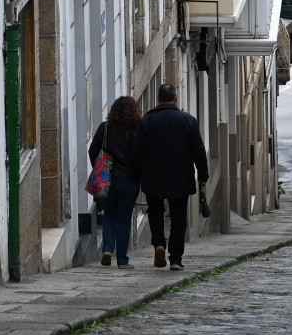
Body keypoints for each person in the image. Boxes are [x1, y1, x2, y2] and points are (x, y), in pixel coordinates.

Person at [139, 83, 209, 271]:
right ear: (176, 98)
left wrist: (139, 173)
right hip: (180, 177)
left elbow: (138, 150)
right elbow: (198, 151)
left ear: (158, 99)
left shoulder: (146, 121)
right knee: (179, 217)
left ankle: (159, 244)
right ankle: (176, 258)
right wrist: (203, 175)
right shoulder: (188, 121)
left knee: (155, 211)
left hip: (153, 176)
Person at [88, 96, 143, 269]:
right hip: (130, 180)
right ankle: (122, 260)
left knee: (109, 215)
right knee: (124, 218)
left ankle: (107, 249)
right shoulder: (137, 130)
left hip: (108, 179)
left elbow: (93, 150)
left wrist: (99, 168)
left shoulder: (105, 128)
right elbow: (142, 154)